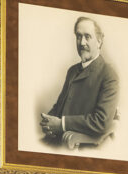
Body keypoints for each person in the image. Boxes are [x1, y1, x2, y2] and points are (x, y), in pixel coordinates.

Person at [40, 16, 120, 151]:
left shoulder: (108, 74)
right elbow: (60, 106)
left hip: (81, 146)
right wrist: (48, 121)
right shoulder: (72, 71)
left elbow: (101, 122)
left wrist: (61, 125)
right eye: (78, 36)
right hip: (56, 140)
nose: (82, 42)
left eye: (87, 36)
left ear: (99, 41)